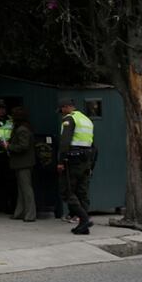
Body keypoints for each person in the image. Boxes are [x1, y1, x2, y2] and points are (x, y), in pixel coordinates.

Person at [57, 97, 94, 235]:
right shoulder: (86, 119)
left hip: (73, 160)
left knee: (66, 190)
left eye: (62, 109)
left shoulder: (69, 119)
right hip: (86, 160)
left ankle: (84, 220)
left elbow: (65, 142)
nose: (61, 112)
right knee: (82, 192)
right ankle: (83, 226)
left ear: (66, 107)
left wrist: (61, 161)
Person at [7, 106, 36, 222]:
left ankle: (30, 214)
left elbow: (23, 146)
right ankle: (20, 212)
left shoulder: (22, 129)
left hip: (23, 163)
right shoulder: (24, 128)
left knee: (26, 189)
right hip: (22, 163)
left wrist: (8, 146)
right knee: (22, 189)